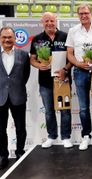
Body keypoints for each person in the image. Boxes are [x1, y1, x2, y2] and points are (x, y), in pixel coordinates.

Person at [66, 4, 92, 151]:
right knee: (83, 108)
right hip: (79, 71)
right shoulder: (73, 31)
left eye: (86, 13)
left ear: (91, 14)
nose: (83, 16)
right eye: (81, 13)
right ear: (78, 15)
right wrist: (78, 63)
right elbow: (69, 53)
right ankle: (86, 136)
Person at [30, 12, 73, 149]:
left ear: (56, 21)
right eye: (46, 21)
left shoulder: (66, 36)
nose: (49, 23)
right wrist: (38, 65)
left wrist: (65, 70)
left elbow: (72, 58)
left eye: (52, 21)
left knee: (65, 110)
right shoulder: (37, 39)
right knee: (49, 111)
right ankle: (52, 136)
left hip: (63, 80)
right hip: (45, 82)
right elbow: (32, 59)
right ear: (42, 22)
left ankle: (66, 137)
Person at [0, 27, 30, 169]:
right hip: (0, 97)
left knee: (20, 128)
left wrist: (16, 86)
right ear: (0, 39)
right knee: (0, 129)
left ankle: (19, 153)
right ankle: (3, 156)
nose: (7, 40)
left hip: (18, 95)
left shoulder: (23, 55)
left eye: (10, 37)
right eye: (4, 37)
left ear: (14, 39)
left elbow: (26, 75)